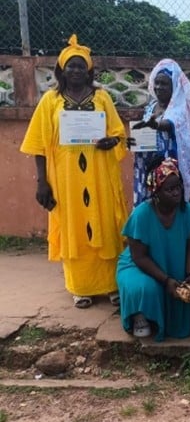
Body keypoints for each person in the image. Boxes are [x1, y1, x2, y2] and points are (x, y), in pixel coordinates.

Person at [21, 35, 128, 309]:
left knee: (104, 221)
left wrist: (111, 141)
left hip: (100, 173)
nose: (76, 71)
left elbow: (118, 134)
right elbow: (39, 144)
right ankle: (81, 287)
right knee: (74, 226)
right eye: (71, 66)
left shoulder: (102, 97)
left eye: (82, 67)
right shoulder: (50, 101)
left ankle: (111, 284)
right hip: (65, 178)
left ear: (89, 70)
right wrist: (42, 182)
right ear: (61, 70)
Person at [117, 157, 190, 340]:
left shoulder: (187, 211)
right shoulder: (142, 214)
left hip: (179, 259)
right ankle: (141, 316)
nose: (177, 193)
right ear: (156, 192)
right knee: (145, 287)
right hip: (142, 264)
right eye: (170, 189)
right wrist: (166, 280)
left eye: (178, 187)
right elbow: (140, 257)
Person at [130, 58, 190, 207]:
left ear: (174, 86)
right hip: (148, 166)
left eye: (164, 83)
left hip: (169, 169)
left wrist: (157, 125)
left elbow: (170, 124)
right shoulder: (151, 106)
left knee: (169, 208)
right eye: (157, 82)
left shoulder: (180, 109)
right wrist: (133, 142)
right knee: (149, 208)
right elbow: (144, 132)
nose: (159, 87)